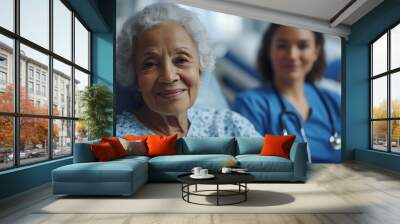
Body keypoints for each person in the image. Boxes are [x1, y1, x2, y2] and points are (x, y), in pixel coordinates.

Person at [116, 2, 260, 138]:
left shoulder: (229, 126)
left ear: (200, 68)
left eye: (181, 60)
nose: (169, 76)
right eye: (151, 64)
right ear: (134, 76)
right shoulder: (117, 137)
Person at [232, 24, 341, 163]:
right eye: (282, 46)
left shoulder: (334, 101)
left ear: (316, 52)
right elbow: (249, 164)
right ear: (269, 51)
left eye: (303, 46)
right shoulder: (250, 104)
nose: (292, 55)